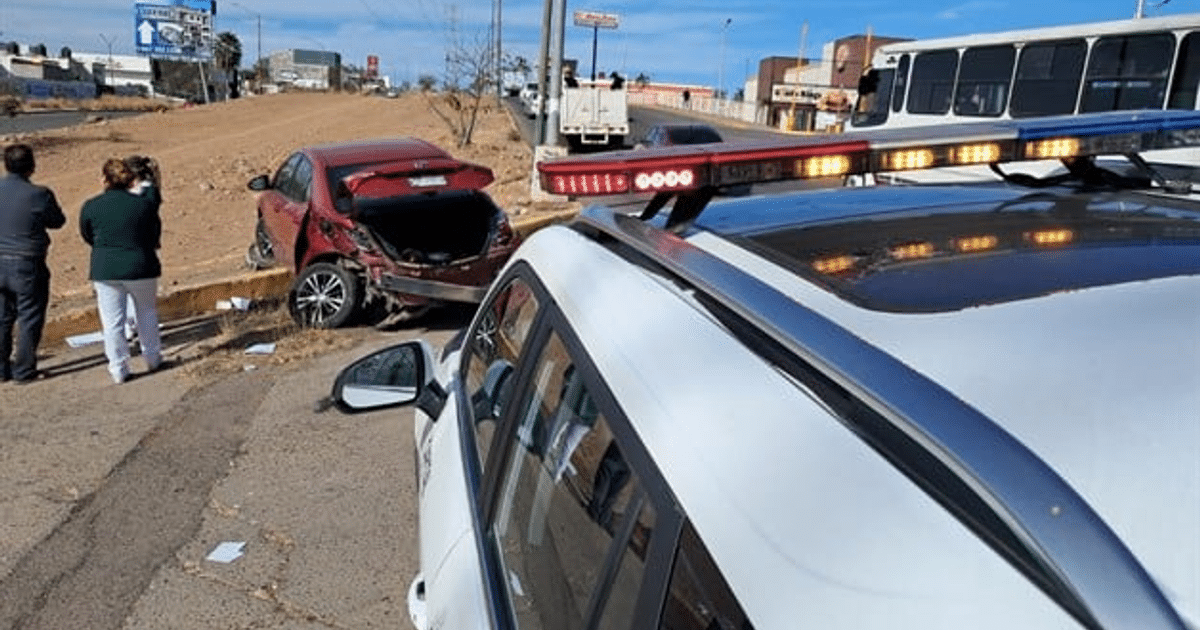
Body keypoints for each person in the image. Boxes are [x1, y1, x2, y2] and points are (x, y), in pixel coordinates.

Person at [80, 157, 164, 384]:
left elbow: (87, 234)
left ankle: (118, 368)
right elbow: (154, 233)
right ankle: (153, 358)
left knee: (112, 322)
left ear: (104, 180)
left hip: (105, 268)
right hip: (140, 264)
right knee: (146, 312)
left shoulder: (91, 206)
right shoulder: (144, 204)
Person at [0, 143, 66, 384]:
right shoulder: (39, 194)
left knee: (2, 316)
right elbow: (57, 221)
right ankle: (24, 370)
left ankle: (2, 369)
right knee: (29, 316)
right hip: (26, 263)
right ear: (31, 166)